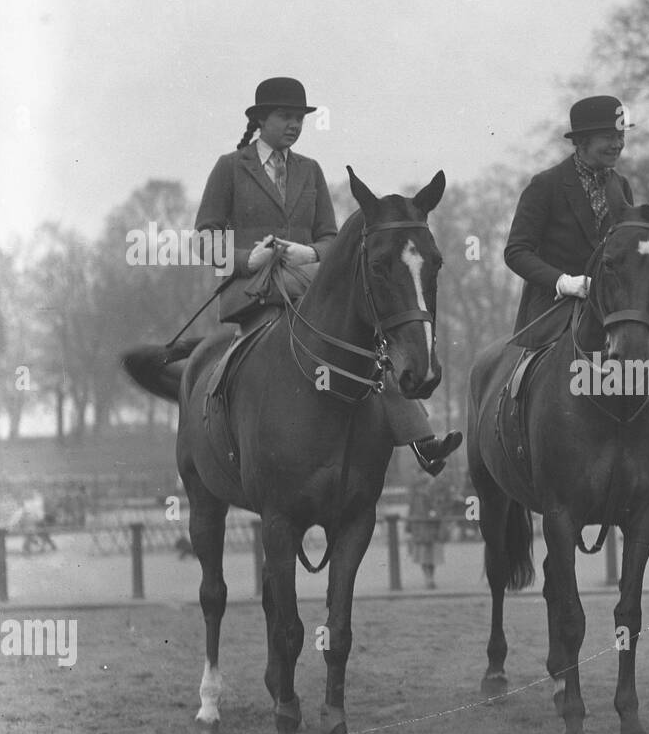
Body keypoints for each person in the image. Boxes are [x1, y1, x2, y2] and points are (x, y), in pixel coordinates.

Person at [184, 77, 460, 475]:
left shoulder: (310, 171)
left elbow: (331, 239)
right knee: (247, 363)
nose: (294, 125)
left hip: (309, 288)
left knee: (370, 351)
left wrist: (310, 252)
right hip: (255, 295)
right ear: (261, 120)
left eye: (299, 118)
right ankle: (231, 446)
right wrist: (249, 259)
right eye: (285, 117)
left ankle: (421, 439)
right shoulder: (230, 168)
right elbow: (204, 240)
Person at [502, 95, 649, 502]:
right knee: (539, 372)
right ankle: (523, 448)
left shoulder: (619, 185)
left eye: (620, 136)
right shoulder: (545, 186)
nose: (617, 145)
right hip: (557, 303)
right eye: (608, 137)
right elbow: (516, 251)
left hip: (613, 301)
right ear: (582, 141)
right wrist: (564, 281)